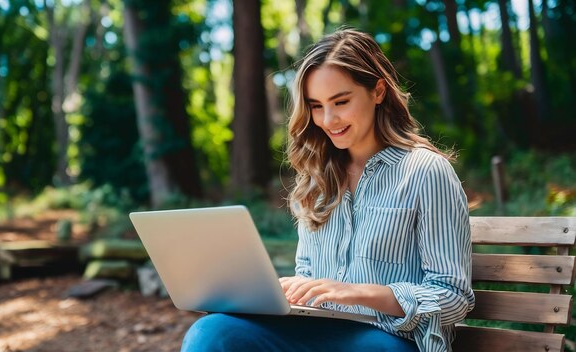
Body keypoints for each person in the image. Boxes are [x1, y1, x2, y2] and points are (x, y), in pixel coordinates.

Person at [182, 28, 474, 352]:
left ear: (378, 91)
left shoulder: (425, 172)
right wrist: (284, 294)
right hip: (317, 332)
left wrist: (355, 292)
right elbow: (308, 276)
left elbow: (453, 297)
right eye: (316, 106)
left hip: (392, 340)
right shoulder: (317, 179)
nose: (328, 119)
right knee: (211, 332)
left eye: (341, 101)